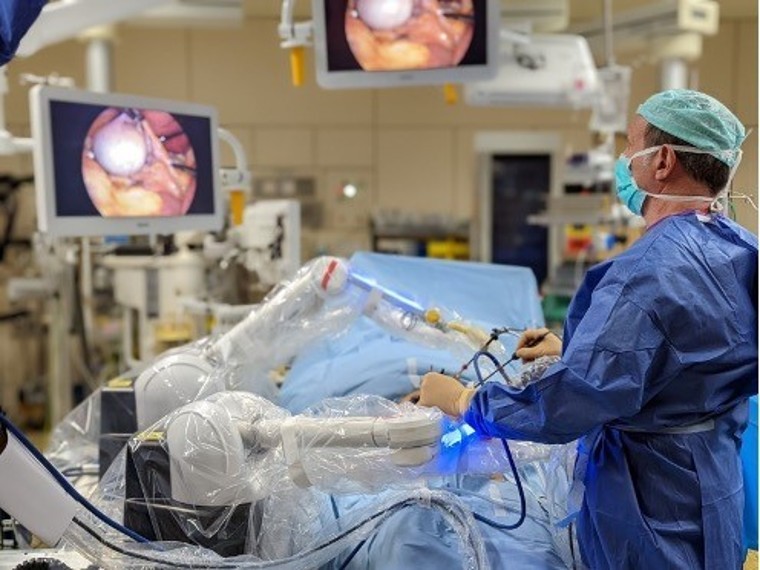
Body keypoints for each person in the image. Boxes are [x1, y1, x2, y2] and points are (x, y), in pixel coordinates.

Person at [419, 89, 758, 570]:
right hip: (713, 484)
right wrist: (578, 349)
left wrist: (464, 400)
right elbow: (692, 355)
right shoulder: (742, 248)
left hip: (652, 505)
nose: (625, 159)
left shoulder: (648, 272)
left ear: (662, 161)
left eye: (630, 145)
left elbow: (569, 403)